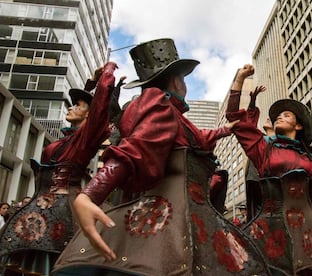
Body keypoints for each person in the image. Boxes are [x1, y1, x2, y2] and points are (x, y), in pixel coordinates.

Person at [52, 38, 270, 276]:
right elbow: (135, 149)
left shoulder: (175, 115)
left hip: (179, 226)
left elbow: (199, 137)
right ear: (177, 81)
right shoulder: (159, 103)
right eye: (184, 79)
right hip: (166, 229)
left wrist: (224, 127)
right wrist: (90, 194)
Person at [226, 64, 312, 275]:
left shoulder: (311, 158)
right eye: (278, 115)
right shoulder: (263, 148)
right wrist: (240, 78)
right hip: (270, 233)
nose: (279, 117)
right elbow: (234, 116)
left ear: (298, 126)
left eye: (286, 115)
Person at [0, 62, 118, 276]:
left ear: (89, 115)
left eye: (78, 106)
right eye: (73, 104)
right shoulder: (69, 139)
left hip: (63, 213)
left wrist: (106, 75)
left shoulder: (85, 139)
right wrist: (91, 83)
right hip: (36, 210)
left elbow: (100, 108)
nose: (71, 107)